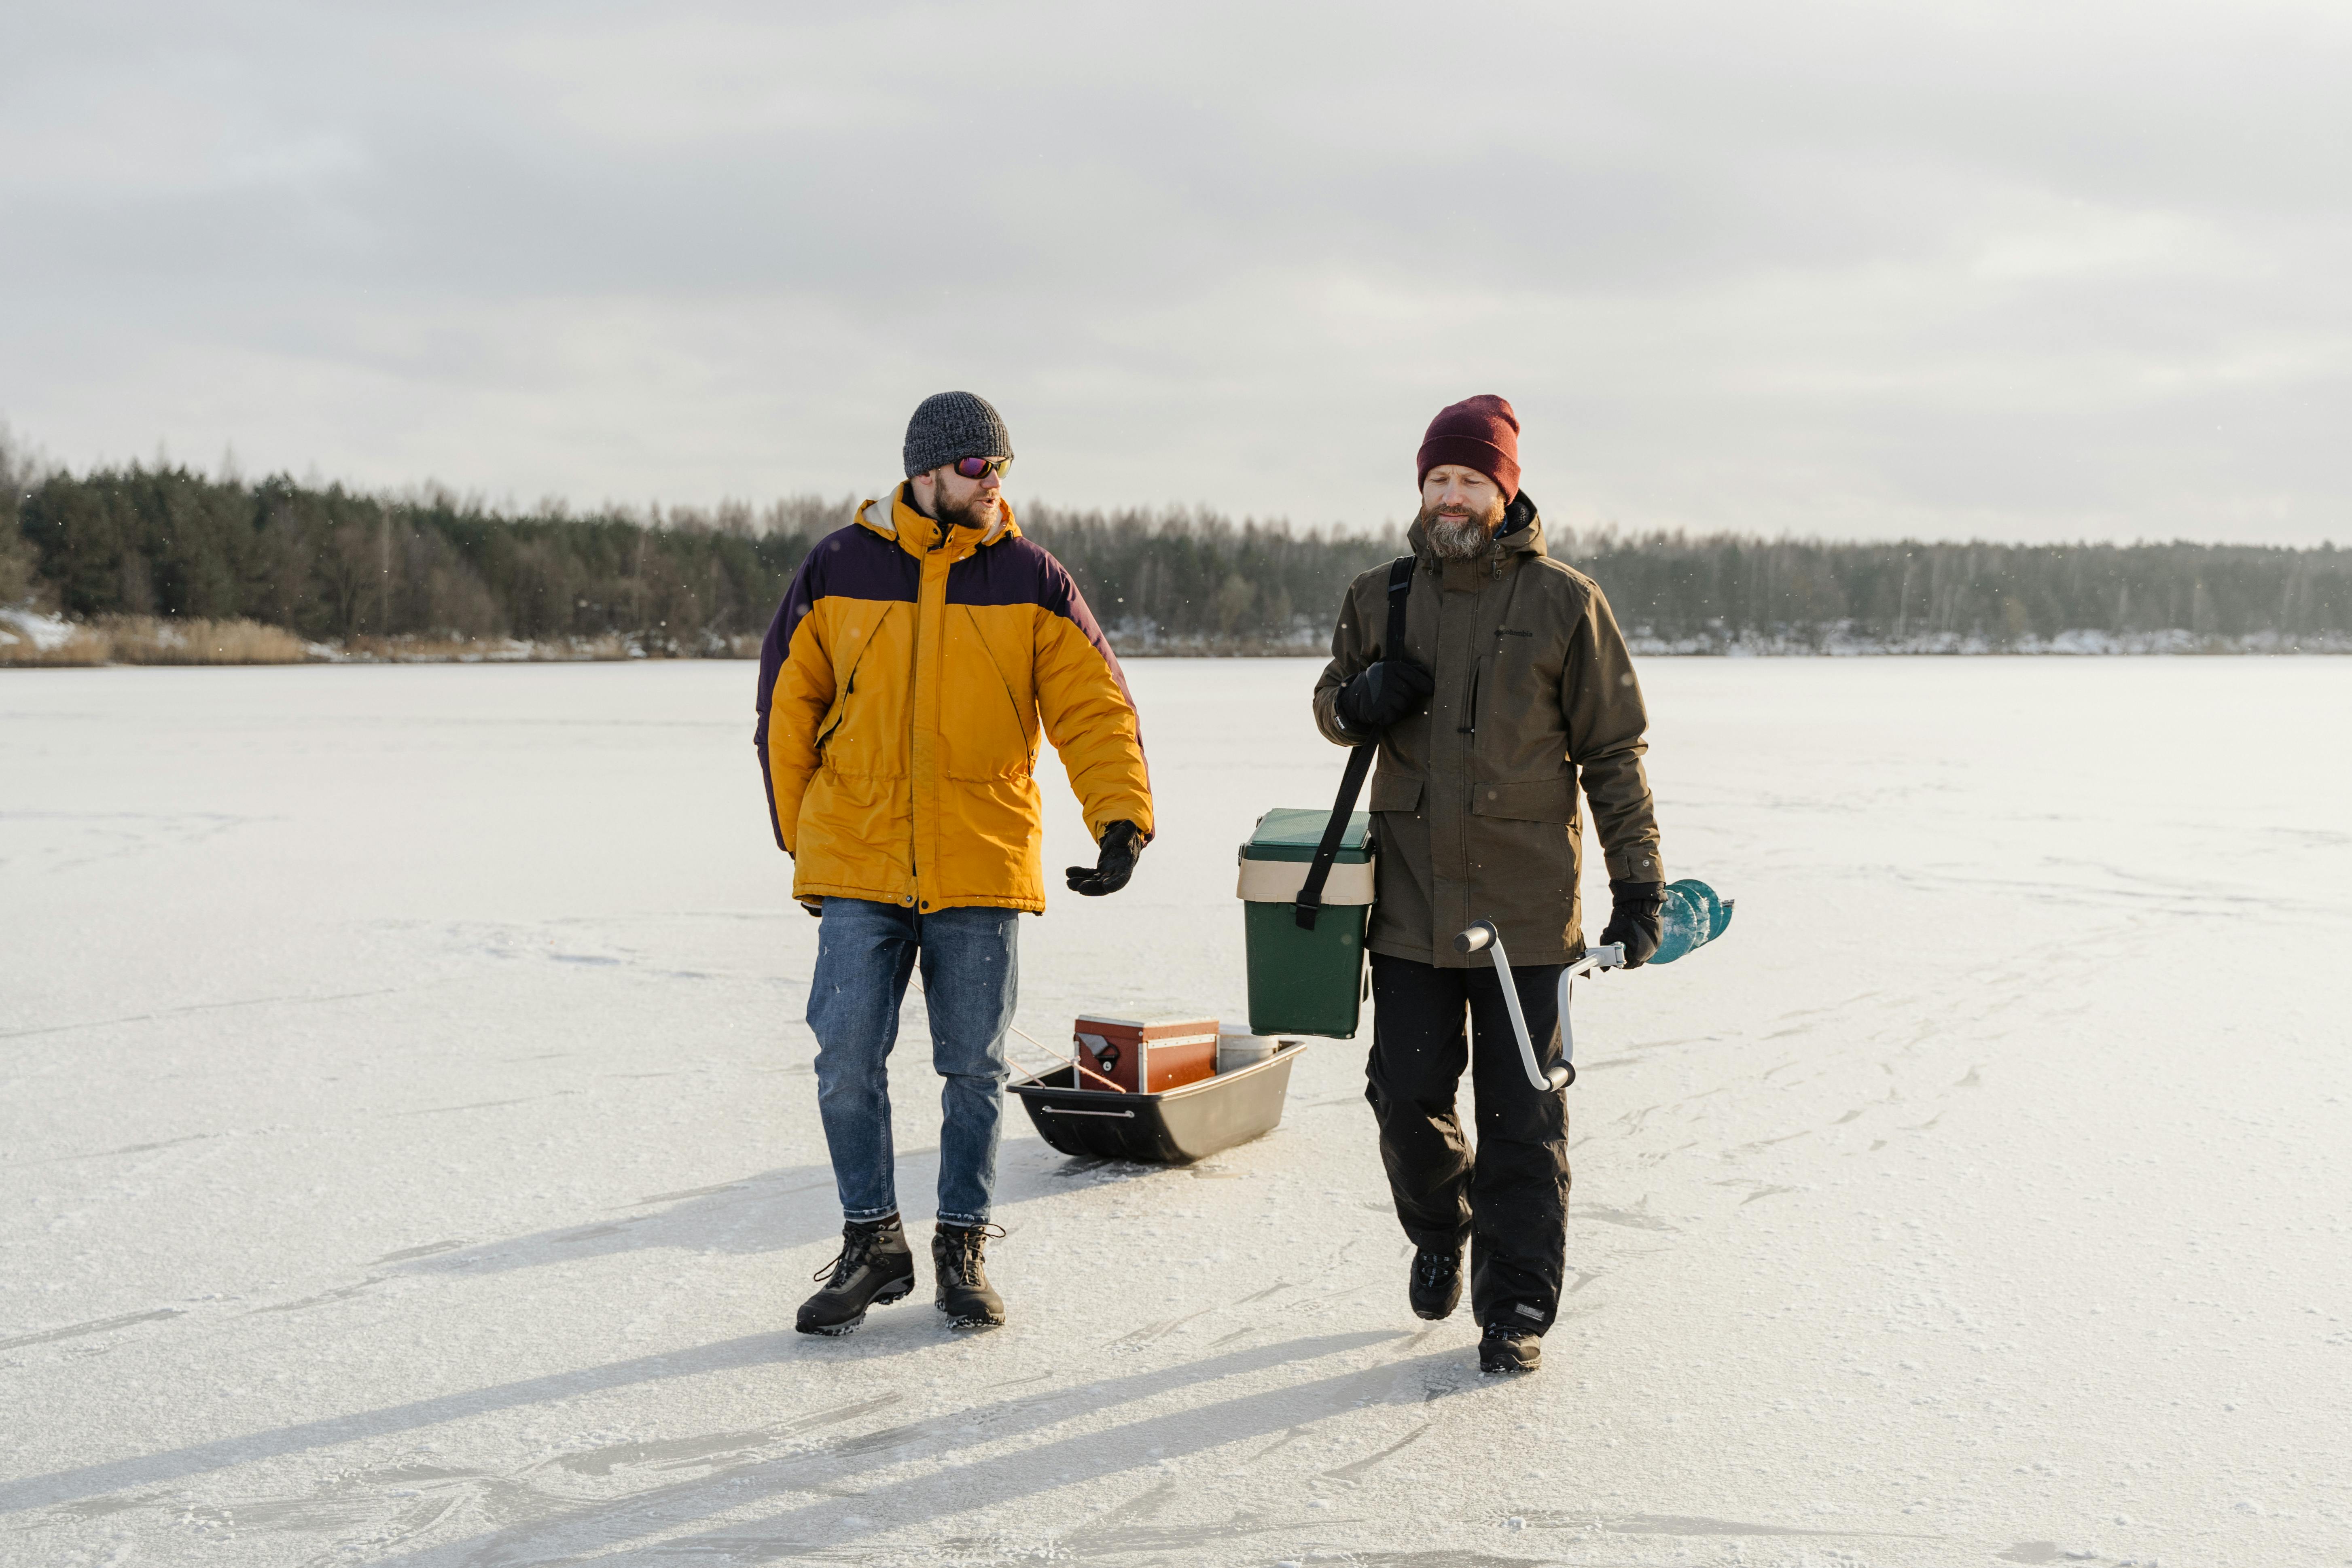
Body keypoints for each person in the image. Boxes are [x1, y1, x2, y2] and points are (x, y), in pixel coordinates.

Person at [756, 390, 1153, 1335]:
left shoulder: (1031, 577)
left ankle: (962, 1244)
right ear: (926, 472)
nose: (993, 483)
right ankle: (873, 1242)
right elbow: (786, 709)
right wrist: (802, 843)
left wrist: (1121, 820)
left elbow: (1094, 707)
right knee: (846, 1061)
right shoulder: (839, 566)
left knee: (971, 1068)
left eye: (1001, 467)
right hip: (857, 857)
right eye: (977, 467)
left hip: (979, 859)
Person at [1312, 394, 1665, 1376]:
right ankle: (1440, 1225)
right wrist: (1356, 700)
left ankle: (1514, 1309)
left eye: (1470, 480)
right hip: (1411, 905)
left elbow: (1613, 752)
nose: (1451, 498)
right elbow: (1331, 706)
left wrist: (1638, 885)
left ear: (1503, 489)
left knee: (1525, 1120)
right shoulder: (1379, 593)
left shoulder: (1565, 601)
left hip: (1524, 918)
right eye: (1437, 481)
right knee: (1404, 1103)